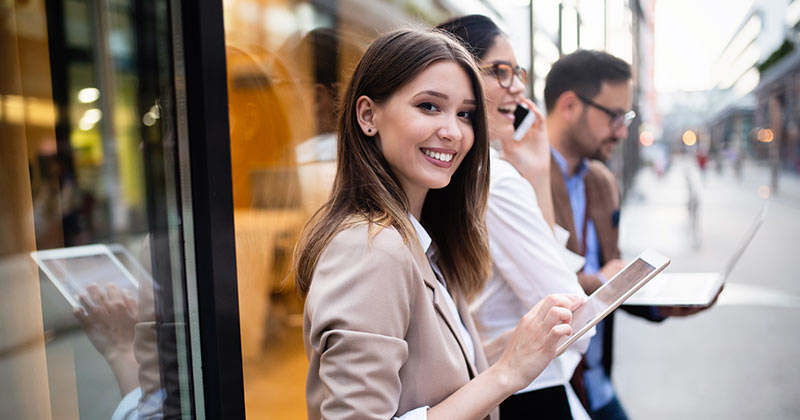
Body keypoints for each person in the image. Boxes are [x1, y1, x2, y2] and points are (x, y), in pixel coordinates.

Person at [292, 28, 582, 420]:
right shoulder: (370, 250)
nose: (453, 131)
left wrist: (514, 350)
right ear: (367, 115)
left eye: (465, 114)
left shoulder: (422, 240)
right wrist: (506, 373)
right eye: (429, 106)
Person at [544, 50, 714, 420]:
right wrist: (605, 280)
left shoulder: (602, 182)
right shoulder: (520, 183)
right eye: (615, 116)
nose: (622, 130)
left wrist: (656, 303)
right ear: (570, 105)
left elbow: (608, 272)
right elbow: (531, 291)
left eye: (627, 117)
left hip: (598, 380)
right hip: (548, 387)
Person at [438, 15, 593, 420]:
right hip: (529, 392)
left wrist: (538, 173)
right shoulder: (495, 179)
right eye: (499, 72)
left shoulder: (452, 172)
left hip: (488, 391)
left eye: (517, 72)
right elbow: (577, 321)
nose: (517, 87)